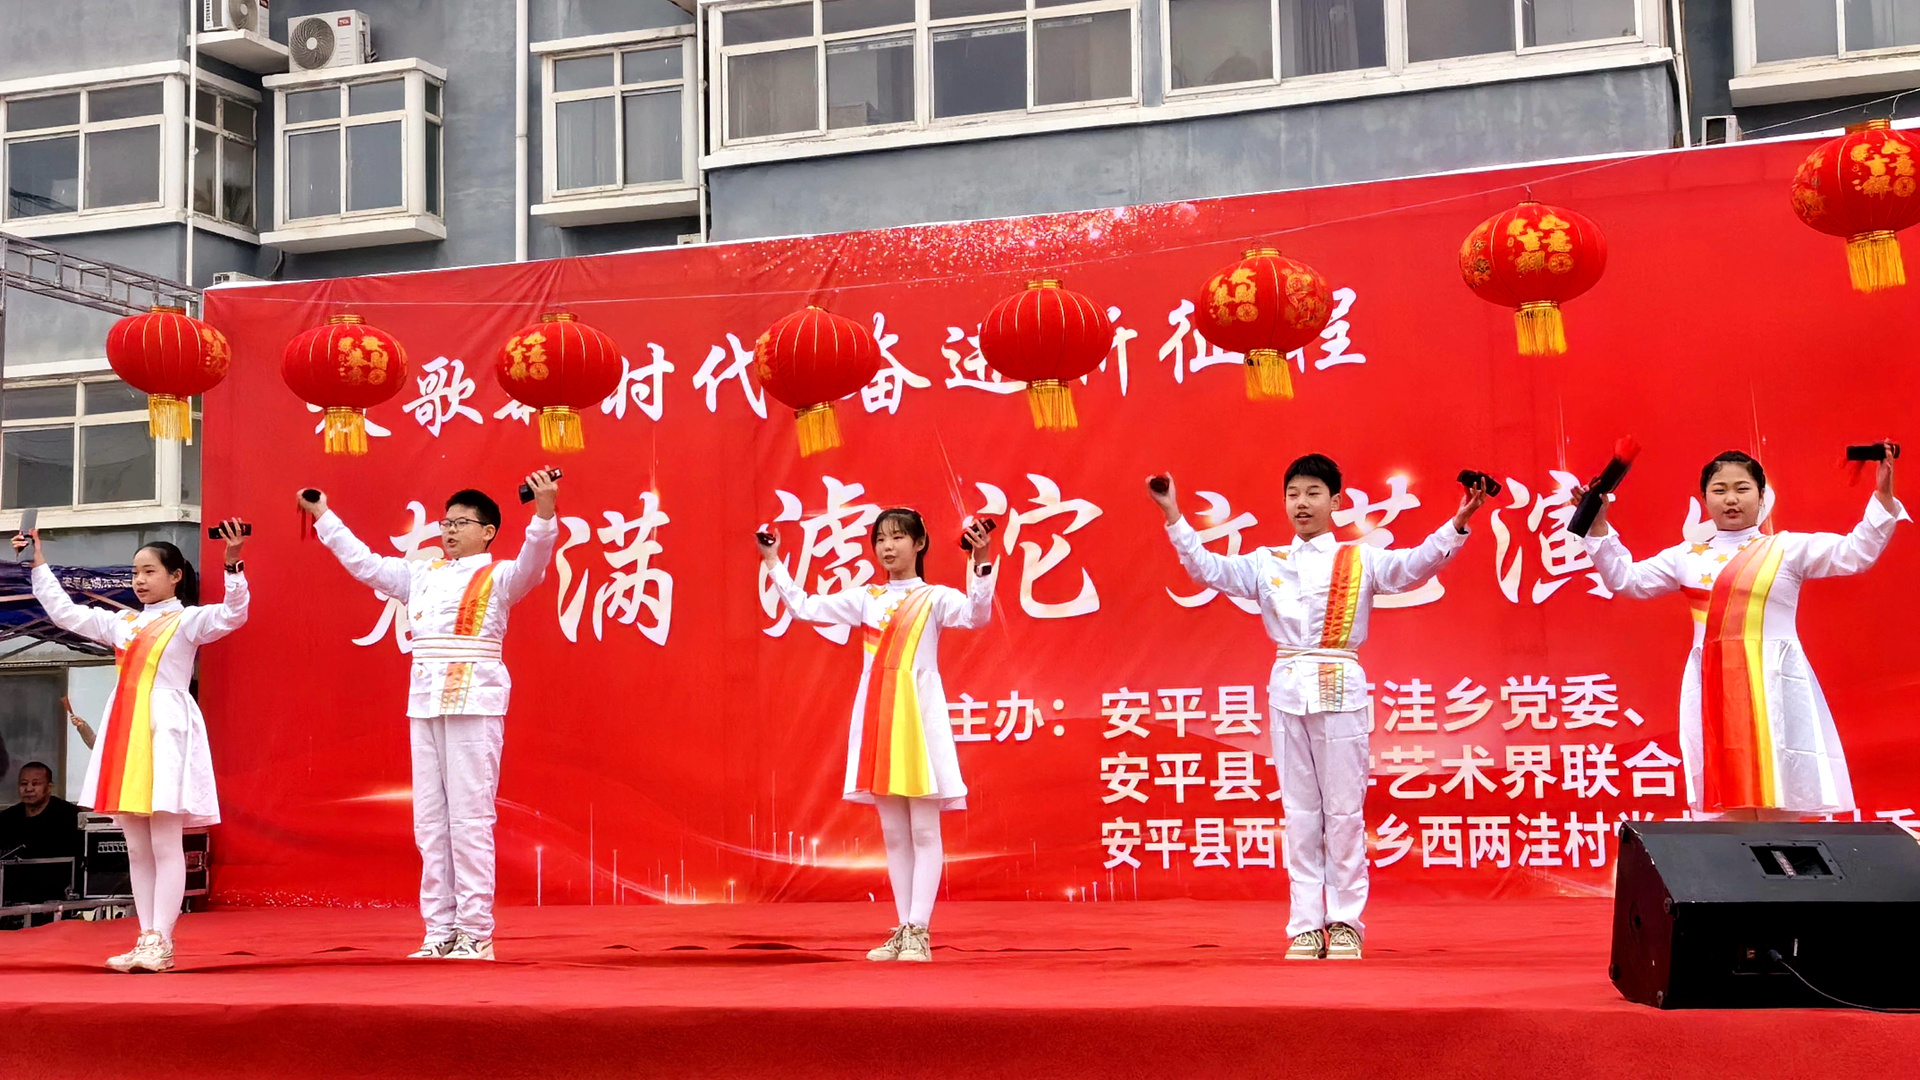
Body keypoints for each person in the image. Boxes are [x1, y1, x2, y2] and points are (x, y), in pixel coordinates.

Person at [1149, 455, 1487, 961]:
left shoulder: (1359, 559)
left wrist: (1457, 524)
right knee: (1300, 812)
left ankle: (1346, 922)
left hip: (1339, 685)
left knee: (1344, 812)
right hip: (1287, 688)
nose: (1301, 504)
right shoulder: (1267, 562)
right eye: (1293, 494)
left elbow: (1414, 566)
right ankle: (1306, 926)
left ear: (1335, 501)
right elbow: (1206, 569)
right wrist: (1173, 514)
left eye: (1312, 493)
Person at [302, 473, 559, 961]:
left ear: (487, 532)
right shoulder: (421, 575)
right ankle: (439, 930)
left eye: (461, 523)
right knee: (430, 822)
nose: (449, 530)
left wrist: (544, 512)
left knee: (470, 819)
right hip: (424, 700)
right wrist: (324, 516)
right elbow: (365, 564)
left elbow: (535, 561)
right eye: (446, 523)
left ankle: (476, 932)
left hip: (474, 701)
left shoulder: (500, 576)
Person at [1579, 447, 1905, 819]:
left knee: (1781, 794)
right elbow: (1627, 580)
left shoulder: (1786, 548)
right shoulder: (1686, 556)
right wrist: (1598, 525)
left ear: (1761, 496)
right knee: (1728, 804)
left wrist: (1883, 495)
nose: (1731, 499)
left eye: (1742, 488)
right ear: (1705, 499)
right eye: (1719, 490)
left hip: (1776, 685)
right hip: (1714, 687)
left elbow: (1855, 553)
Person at [759, 509, 997, 963]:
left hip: (919, 719)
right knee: (893, 832)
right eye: (881, 539)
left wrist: (980, 557)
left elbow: (977, 615)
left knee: (923, 829)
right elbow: (805, 607)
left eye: (898, 538)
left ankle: (919, 930)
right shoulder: (866, 598)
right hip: (879, 717)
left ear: (920, 544)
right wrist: (772, 561)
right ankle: (903, 928)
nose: (888, 547)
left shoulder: (934, 598)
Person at [14, 523, 250, 971]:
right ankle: (146, 937)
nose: (139, 580)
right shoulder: (123, 623)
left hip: (165, 729)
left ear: (176, 576)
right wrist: (38, 562)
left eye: (149, 571)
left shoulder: (187, 620)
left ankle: (162, 940)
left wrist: (233, 563)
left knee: (165, 843)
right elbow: (65, 613)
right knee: (137, 849)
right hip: (126, 731)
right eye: (135, 572)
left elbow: (233, 615)